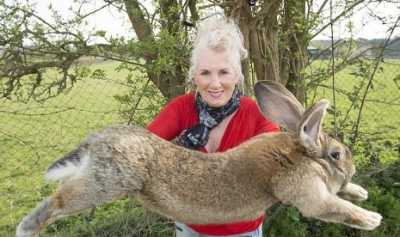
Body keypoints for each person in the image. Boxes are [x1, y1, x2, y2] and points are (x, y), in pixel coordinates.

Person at [147, 17, 279, 237]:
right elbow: (141, 150)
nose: (215, 84)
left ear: (237, 75)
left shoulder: (257, 114)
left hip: (241, 230)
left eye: (224, 72)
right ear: (194, 76)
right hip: (190, 227)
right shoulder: (181, 108)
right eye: (205, 73)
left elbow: (276, 168)